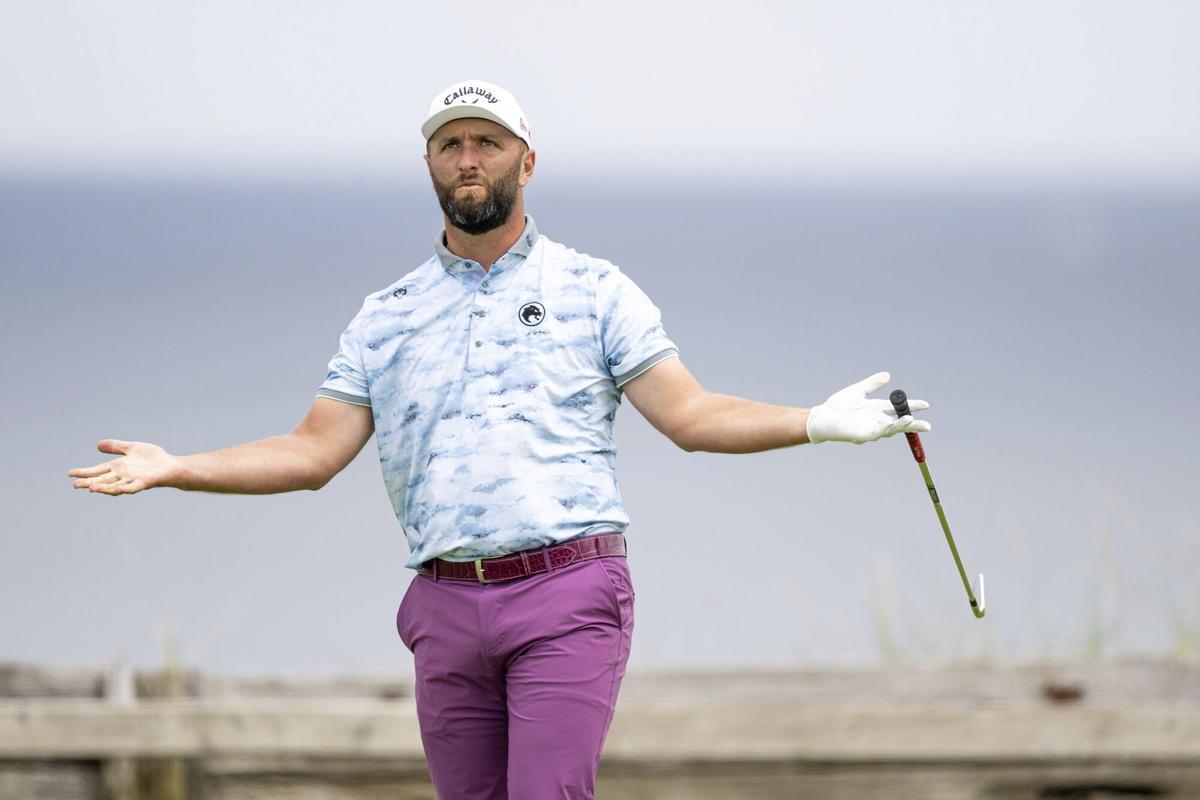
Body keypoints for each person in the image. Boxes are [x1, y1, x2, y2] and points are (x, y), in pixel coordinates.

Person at [68, 79, 931, 800]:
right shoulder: (386, 316)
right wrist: (178, 466)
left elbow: (692, 416)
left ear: (527, 159)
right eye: (450, 144)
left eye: (487, 141)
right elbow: (312, 451)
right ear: (430, 166)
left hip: (567, 591)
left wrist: (814, 421)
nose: (468, 158)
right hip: (444, 604)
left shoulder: (595, 290)